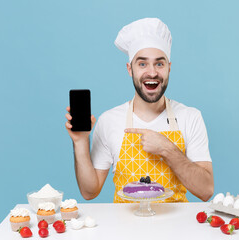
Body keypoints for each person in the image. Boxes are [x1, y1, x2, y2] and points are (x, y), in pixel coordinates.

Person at [65, 18, 214, 203]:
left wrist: (167, 149)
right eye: (142, 64)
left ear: (169, 68)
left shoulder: (190, 117)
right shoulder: (109, 120)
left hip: (176, 229)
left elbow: (206, 190)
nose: (152, 73)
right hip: (125, 229)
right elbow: (89, 192)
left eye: (159, 64)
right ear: (130, 69)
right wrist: (80, 142)